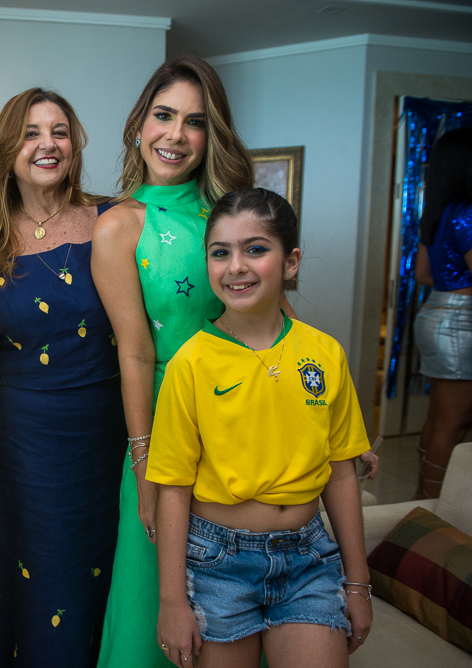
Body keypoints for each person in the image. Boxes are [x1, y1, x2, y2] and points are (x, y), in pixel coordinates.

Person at [149, 188, 372, 668]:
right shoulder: (191, 364)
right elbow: (174, 488)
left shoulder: (325, 353)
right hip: (218, 565)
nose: (236, 267)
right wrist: (172, 601)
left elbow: (341, 473)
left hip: (309, 561)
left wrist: (358, 583)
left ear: (290, 262)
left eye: (255, 249)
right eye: (220, 253)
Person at [91, 55, 256, 668]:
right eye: (164, 116)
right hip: (163, 429)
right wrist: (142, 466)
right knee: (151, 604)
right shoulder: (119, 226)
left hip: (243, 419)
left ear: (212, 136)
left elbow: (277, 328)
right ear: (140, 124)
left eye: (195, 122)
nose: (176, 135)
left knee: (238, 595)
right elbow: (134, 352)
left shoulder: (232, 215)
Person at [0, 88, 124, 666]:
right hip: (25, 443)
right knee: (33, 578)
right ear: (7, 148)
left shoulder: (114, 219)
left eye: (59, 131)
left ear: (75, 144)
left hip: (109, 432)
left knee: (104, 574)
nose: (47, 144)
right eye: (31, 133)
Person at [413, 127, 472, 499]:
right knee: (453, 425)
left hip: (435, 313)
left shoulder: (438, 212)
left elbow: (423, 274)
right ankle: (432, 504)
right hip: (462, 320)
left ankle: (422, 496)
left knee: (439, 419)